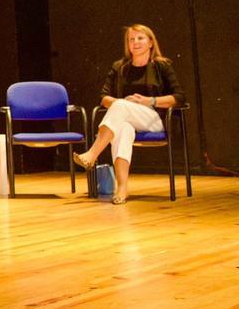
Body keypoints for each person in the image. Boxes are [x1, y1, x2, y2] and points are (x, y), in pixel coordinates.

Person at [74, 24, 185, 204]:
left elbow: (179, 97)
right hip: (126, 116)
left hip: (155, 118)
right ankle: (122, 188)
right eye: (131, 39)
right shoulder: (120, 67)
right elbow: (104, 97)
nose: (135, 42)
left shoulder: (162, 65)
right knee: (123, 129)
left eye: (140, 38)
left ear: (150, 42)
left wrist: (149, 101)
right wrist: (122, 103)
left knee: (120, 107)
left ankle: (92, 154)